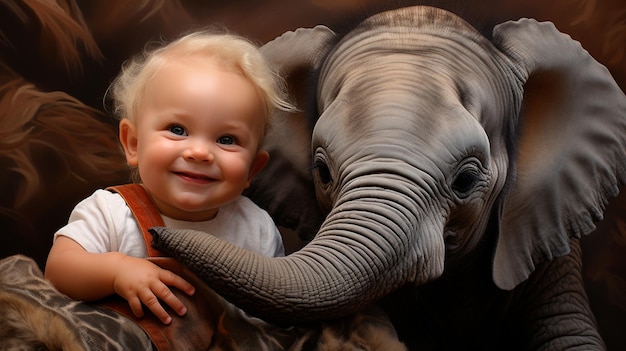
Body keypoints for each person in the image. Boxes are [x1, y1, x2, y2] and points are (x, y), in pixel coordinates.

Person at [45, 29, 295, 325]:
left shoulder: (257, 230)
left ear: (253, 169)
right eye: (178, 130)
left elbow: (276, 312)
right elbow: (58, 270)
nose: (200, 152)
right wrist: (116, 271)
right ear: (134, 143)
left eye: (227, 139)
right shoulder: (111, 213)